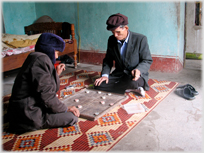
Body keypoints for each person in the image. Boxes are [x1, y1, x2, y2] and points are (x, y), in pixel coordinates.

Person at [7, 33, 80, 134]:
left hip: (24, 108)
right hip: (29, 113)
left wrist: (56, 74)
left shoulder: (35, 57)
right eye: (56, 52)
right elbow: (47, 95)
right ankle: (28, 124)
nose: (57, 56)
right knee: (72, 117)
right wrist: (66, 108)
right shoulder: (41, 60)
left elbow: (42, 85)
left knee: (57, 107)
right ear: (49, 49)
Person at [94, 13, 153, 96]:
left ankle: (132, 86)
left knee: (133, 82)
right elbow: (108, 60)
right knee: (98, 85)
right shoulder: (111, 40)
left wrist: (139, 70)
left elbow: (147, 60)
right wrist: (105, 75)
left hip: (133, 76)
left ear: (126, 28)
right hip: (119, 74)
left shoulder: (140, 39)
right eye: (113, 32)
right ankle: (130, 89)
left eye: (118, 32)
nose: (115, 35)